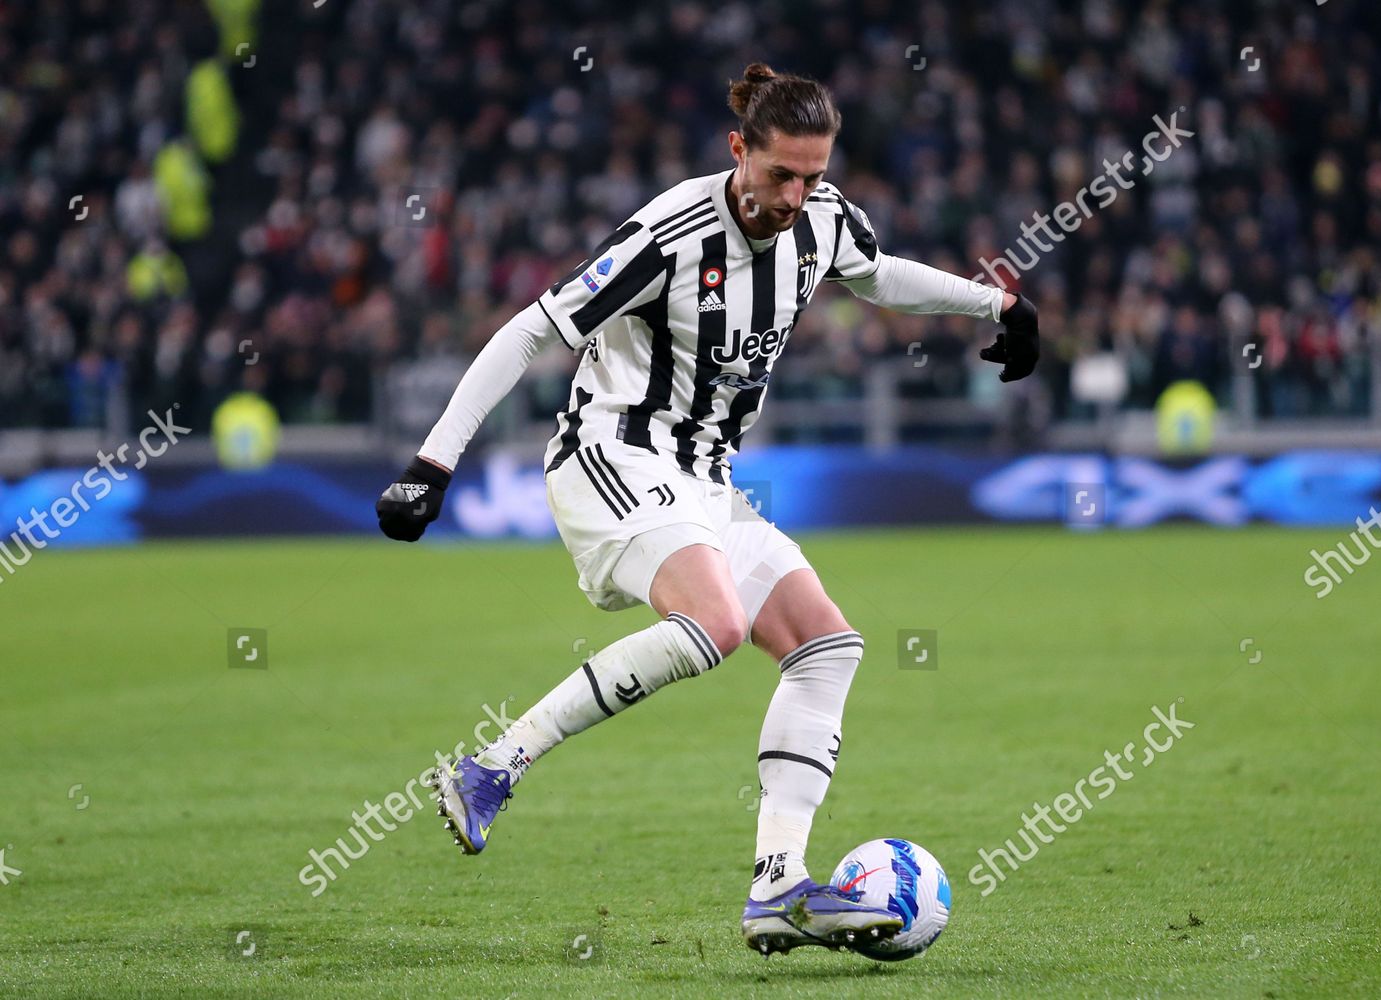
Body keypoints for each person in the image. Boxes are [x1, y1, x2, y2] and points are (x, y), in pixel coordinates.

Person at [375, 62, 1039, 956]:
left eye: (813, 175)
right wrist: (433, 460)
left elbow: (880, 276)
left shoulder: (823, 221)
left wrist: (996, 302)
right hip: (608, 452)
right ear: (739, 151)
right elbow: (532, 326)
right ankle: (494, 766)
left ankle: (776, 887)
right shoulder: (671, 235)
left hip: (705, 484)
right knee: (717, 624)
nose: (798, 195)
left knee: (826, 647)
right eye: (780, 176)